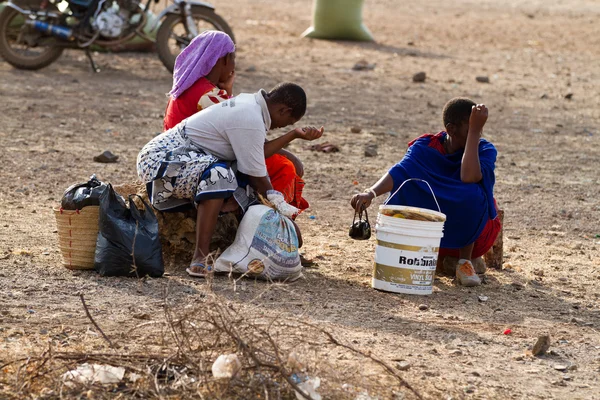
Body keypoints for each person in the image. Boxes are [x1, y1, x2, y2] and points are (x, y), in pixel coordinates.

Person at [137, 83, 324, 277]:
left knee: (241, 185)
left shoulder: (251, 106)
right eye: (285, 123)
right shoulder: (250, 116)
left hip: (194, 157)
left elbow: (257, 152)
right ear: (284, 110)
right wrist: (282, 212)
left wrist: (292, 135)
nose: (278, 127)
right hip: (162, 159)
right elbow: (258, 176)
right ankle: (200, 257)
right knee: (220, 177)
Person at [350, 98, 501, 287]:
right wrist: (370, 193)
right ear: (451, 129)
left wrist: (473, 133)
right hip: (426, 236)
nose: (477, 136)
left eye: (478, 131)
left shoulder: (484, 149)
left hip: (475, 235)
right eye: (469, 130)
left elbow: (468, 176)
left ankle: (465, 262)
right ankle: (414, 254)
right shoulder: (426, 147)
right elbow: (401, 171)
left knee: (472, 195)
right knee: (407, 186)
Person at [162, 30, 309, 214]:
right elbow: (243, 135)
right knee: (283, 167)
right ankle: (266, 216)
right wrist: (289, 152)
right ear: (223, 60)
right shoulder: (206, 94)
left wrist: (228, 91)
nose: (234, 66)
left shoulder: (195, 87)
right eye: (233, 60)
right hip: (196, 156)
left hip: (191, 151)